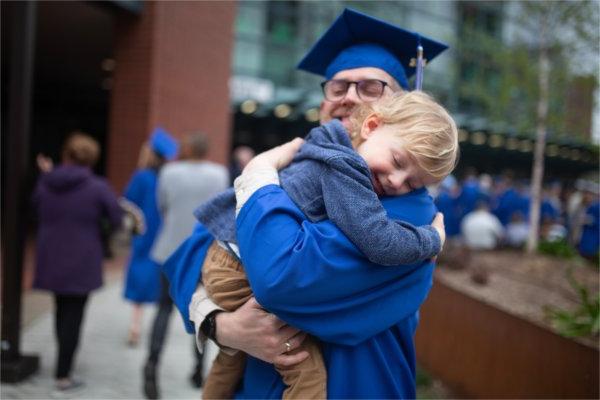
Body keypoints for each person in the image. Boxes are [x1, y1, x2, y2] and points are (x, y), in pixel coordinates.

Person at [165, 8, 450, 398]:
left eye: (371, 87)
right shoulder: (306, 163)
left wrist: (259, 176)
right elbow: (193, 250)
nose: (350, 96)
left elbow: (283, 276)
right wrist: (221, 324)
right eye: (338, 86)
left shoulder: (407, 209)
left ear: (395, 111)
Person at [196, 90, 456, 398]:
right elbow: (378, 240)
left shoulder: (323, 148)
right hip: (238, 269)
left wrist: (260, 175)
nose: (398, 183)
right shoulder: (346, 167)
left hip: (227, 261)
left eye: (413, 183)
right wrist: (432, 239)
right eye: (397, 161)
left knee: (230, 361)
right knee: (306, 375)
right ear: (370, 126)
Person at [31, 132, 123, 395]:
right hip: (83, 259)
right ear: (92, 158)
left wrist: (46, 174)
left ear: (66, 154)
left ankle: (63, 362)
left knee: (61, 309)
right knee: (74, 315)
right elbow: (116, 219)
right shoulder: (98, 187)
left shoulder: (46, 182)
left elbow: (34, 207)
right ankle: (63, 375)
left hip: (51, 256)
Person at [143, 132, 229, 399]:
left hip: (169, 250)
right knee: (201, 312)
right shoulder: (219, 174)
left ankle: (151, 366)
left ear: (187, 149)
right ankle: (197, 369)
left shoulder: (169, 171)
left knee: (163, 309)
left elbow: (162, 205)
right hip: (202, 253)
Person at [122, 128, 178, 347]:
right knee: (158, 277)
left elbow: (127, 202)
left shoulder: (142, 176)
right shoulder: (169, 176)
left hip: (144, 231)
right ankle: (156, 322)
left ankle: (135, 325)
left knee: (140, 273)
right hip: (163, 231)